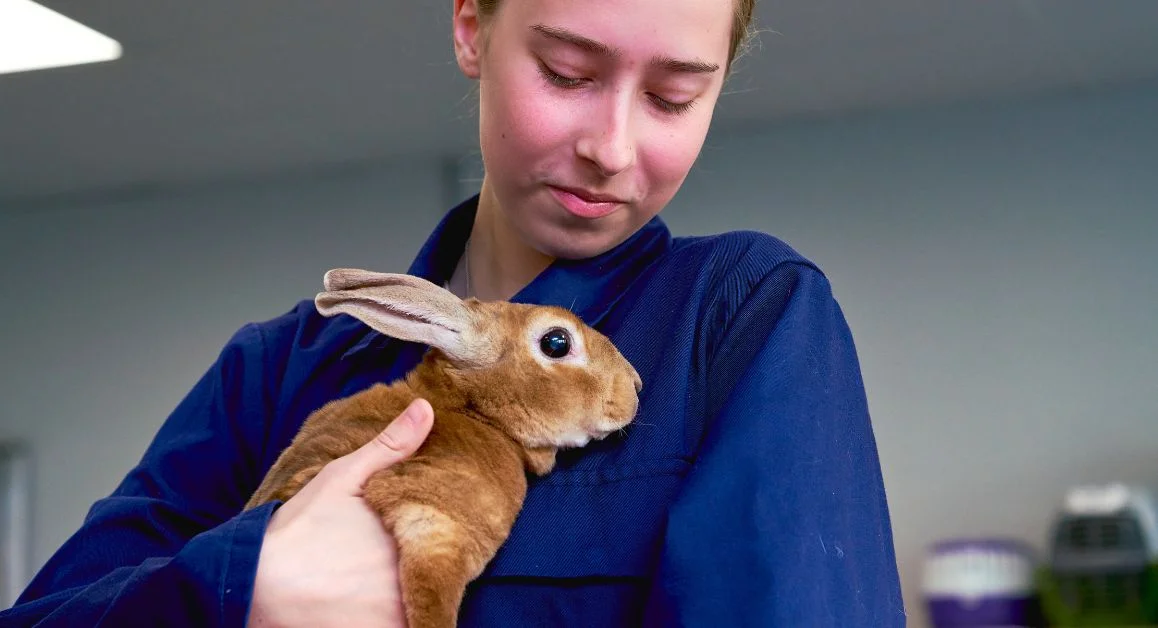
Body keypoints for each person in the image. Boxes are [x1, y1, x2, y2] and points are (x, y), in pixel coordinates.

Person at [2, 0, 906, 625]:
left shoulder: (743, 314)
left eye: (674, 96)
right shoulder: (279, 372)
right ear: (472, 27)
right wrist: (244, 586)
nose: (611, 148)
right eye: (565, 72)